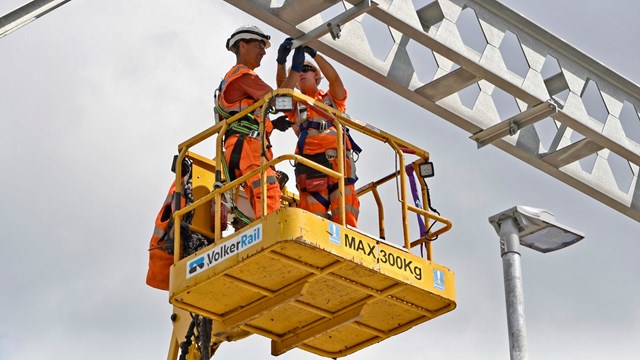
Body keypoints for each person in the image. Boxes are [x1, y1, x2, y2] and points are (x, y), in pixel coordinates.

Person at [216, 25, 303, 219]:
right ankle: (270, 233)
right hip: (247, 145)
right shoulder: (243, 75)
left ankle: (264, 229)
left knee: (261, 193)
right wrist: (293, 68)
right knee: (267, 189)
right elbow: (282, 102)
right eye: (259, 46)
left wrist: (272, 123)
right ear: (242, 45)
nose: (263, 52)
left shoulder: (234, 78)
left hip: (246, 143)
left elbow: (262, 107)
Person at [275, 40, 361, 227]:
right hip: (310, 166)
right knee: (314, 222)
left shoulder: (332, 100)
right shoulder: (295, 104)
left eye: (306, 69)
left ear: (316, 75)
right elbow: (281, 95)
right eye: (298, 72)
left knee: (345, 216)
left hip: (338, 163)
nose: (301, 73)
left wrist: (315, 54)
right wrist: (282, 64)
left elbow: (336, 80)